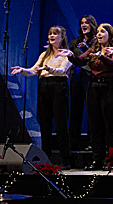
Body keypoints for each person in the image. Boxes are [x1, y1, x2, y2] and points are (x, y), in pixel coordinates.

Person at [63, 24, 113, 168]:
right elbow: (80, 61)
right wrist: (70, 55)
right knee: (95, 124)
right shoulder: (93, 49)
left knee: (112, 125)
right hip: (94, 87)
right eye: (97, 32)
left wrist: (102, 57)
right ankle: (98, 160)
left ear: (110, 34)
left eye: (102, 31)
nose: (99, 34)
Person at [12, 25, 73, 166]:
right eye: (50, 33)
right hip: (44, 86)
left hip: (59, 85)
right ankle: (47, 159)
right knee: (44, 123)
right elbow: (34, 70)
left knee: (60, 124)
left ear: (62, 37)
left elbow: (62, 70)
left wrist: (48, 68)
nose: (51, 36)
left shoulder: (67, 53)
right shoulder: (44, 54)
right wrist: (22, 70)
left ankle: (66, 159)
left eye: (55, 34)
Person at [68, 14, 98, 152]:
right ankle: (73, 142)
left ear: (92, 25)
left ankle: (93, 142)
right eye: (82, 23)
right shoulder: (75, 42)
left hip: (90, 76)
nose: (84, 25)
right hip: (77, 76)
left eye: (87, 22)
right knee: (75, 109)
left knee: (92, 110)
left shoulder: (96, 42)